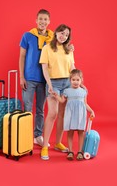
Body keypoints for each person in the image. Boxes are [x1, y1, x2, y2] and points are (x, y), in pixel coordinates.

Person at [39, 24, 75, 160]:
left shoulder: (69, 50)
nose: (63, 36)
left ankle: (58, 143)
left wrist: (78, 82)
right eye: (61, 33)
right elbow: (44, 68)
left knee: (62, 114)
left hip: (67, 82)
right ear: (56, 33)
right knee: (52, 113)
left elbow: (72, 67)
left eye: (66, 35)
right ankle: (44, 147)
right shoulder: (47, 48)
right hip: (53, 83)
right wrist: (49, 85)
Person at [19, 9, 53, 147]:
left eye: (45, 19)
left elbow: (61, 52)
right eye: (40, 19)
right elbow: (22, 56)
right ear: (36, 20)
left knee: (40, 109)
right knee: (27, 108)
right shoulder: (27, 36)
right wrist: (22, 77)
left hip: (45, 79)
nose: (43, 22)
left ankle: (37, 135)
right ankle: (25, 135)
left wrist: (70, 47)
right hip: (29, 78)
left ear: (49, 22)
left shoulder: (52, 39)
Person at [53, 69, 95, 161]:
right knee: (70, 132)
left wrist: (91, 111)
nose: (75, 82)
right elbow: (62, 101)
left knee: (81, 132)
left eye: (77, 80)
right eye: (73, 80)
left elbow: (85, 104)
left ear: (81, 80)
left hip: (80, 115)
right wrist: (56, 96)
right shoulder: (67, 91)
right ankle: (70, 151)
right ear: (70, 80)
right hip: (70, 114)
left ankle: (80, 152)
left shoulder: (83, 91)